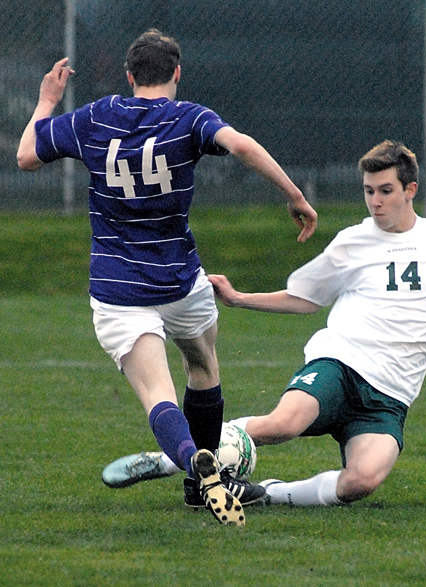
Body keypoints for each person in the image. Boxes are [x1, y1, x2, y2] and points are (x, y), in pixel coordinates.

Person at [102, 139, 426, 507]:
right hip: (341, 363)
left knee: (361, 482)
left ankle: (268, 495)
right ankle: (170, 458)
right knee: (282, 424)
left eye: (385, 190)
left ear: (411, 189)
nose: (375, 201)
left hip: (392, 394)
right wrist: (240, 298)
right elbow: (304, 299)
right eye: (368, 191)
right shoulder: (352, 241)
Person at [17, 29, 317, 525]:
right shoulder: (188, 118)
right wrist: (294, 195)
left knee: (157, 393)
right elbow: (240, 146)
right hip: (181, 281)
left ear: (131, 76)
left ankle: (198, 468)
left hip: (119, 289)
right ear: (177, 73)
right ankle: (202, 480)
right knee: (203, 369)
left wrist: (45, 103)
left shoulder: (96, 116)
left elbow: (27, 155)